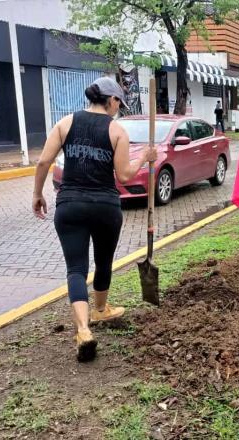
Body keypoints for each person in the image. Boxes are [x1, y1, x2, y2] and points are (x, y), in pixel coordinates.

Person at [32, 77, 156, 362]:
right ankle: (101, 309)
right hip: (105, 206)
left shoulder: (65, 123)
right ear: (111, 100)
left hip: (70, 205)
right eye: (119, 104)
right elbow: (124, 175)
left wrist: (37, 194)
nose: (119, 109)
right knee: (103, 261)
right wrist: (145, 157)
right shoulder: (116, 131)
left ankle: (84, 329)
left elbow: (42, 162)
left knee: (76, 269)